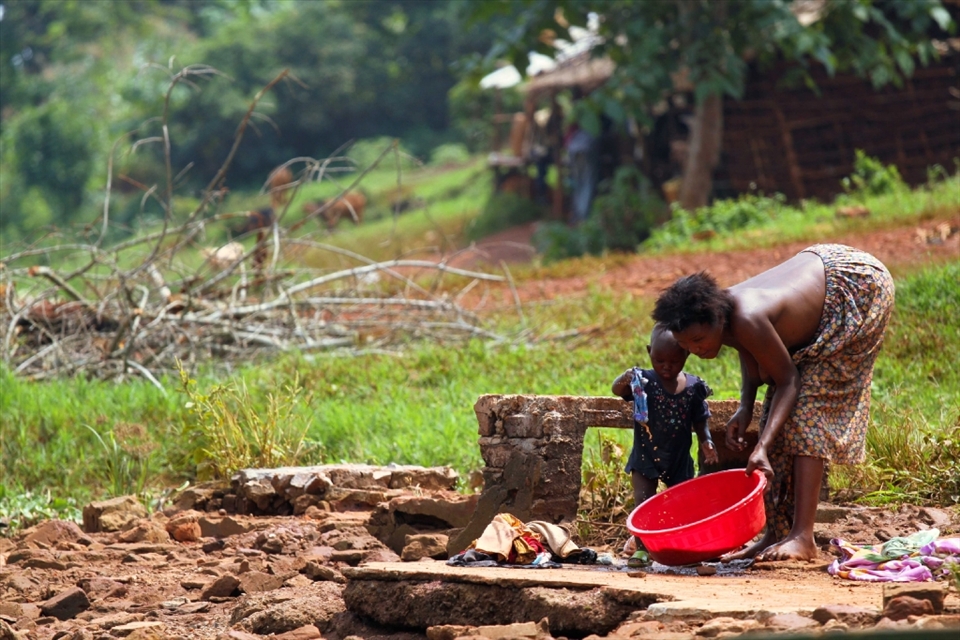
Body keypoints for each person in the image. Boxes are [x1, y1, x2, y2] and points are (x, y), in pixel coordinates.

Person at [652, 244, 894, 562]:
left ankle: (803, 537)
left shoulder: (746, 315)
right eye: (685, 345)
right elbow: (744, 346)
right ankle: (776, 533)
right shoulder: (721, 313)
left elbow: (788, 380)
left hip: (857, 287)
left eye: (698, 340)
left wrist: (762, 446)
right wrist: (746, 406)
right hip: (821, 269)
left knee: (808, 412)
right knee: (774, 417)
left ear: (716, 321)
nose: (695, 350)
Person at [612, 324, 719, 557]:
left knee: (683, 505)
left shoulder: (693, 387)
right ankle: (642, 550)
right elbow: (617, 390)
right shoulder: (643, 382)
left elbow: (701, 420)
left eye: (674, 361)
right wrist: (624, 378)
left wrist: (706, 441)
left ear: (686, 354)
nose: (666, 367)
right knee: (643, 504)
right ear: (650, 352)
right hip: (645, 457)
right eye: (659, 360)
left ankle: (682, 547)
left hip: (679, 459)